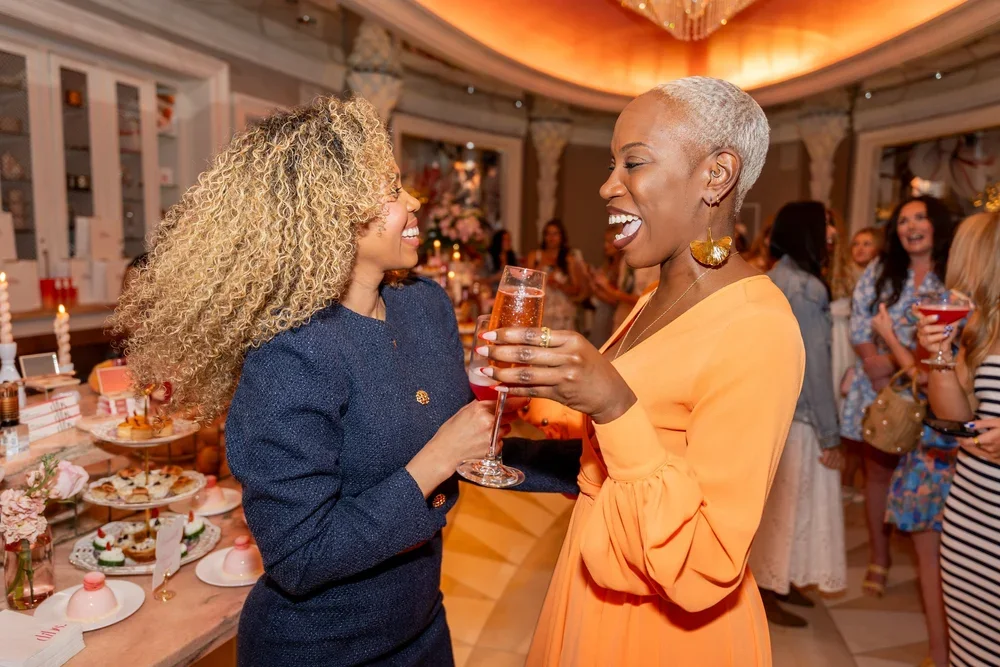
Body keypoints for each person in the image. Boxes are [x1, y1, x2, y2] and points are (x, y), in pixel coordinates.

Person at [112, 96, 500, 666]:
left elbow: (476, 442)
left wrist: (588, 458)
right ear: (330, 214)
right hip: (321, 650)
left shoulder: (425, 306)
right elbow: (300, 556)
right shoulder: (289, 352)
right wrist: (434, 461)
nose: (414, 201)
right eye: (391, 191)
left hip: (423, 630)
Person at [478, 76, 804, 665]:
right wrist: (538, 396)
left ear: (716, 175)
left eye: (634, 163)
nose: (608, 186)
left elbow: (707, 556)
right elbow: (651, 431)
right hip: (595, 581)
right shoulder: (655, 297)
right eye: (612, 164)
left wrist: (610, 403)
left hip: (666, 627)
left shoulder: (759, 324)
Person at [840, 196, 955, 601]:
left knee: (926, 478)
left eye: (920, 217)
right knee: (877, 473)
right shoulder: (881, 270)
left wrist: (889, 358)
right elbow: (859, 323)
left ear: (937, 224)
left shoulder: (954, 273)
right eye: (903, 220)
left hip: (937, 392)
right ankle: (879, 556)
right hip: (881, 391)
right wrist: (874, 364)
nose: (911, 226)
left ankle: (934, 565)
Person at [749, 201, 847, 628]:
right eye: (826, 224)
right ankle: (766, 589)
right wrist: (831, 435)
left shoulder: (773, 277)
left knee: (776, 504)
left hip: (773, 408)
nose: (833, 233)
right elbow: (816, 367)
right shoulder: (807, 287)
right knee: (788, 507)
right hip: (801, 415)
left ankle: (778, 581)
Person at [917, 211, 1000, 667]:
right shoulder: (983, 328)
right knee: (972, 650)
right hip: (973, 512)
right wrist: (940, 354)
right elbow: (953, 419)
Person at [831, 226, 883, 501]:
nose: (860, 249)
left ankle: (859, 480)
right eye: (856, 243)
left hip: (862, 350)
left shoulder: (880, 278)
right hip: (843, 343)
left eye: (868, 243)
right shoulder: (843, 274)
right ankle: (844, 479)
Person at [527, 219, 586, 331]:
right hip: (540, 309)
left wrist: (559, 285)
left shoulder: (569, 259)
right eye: (548, 234)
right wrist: (540, 268)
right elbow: (526, 283)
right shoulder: (535, 256)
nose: (551, 238)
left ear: (561, 237)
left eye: (555, 234)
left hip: (561, 311)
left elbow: (577, 289)